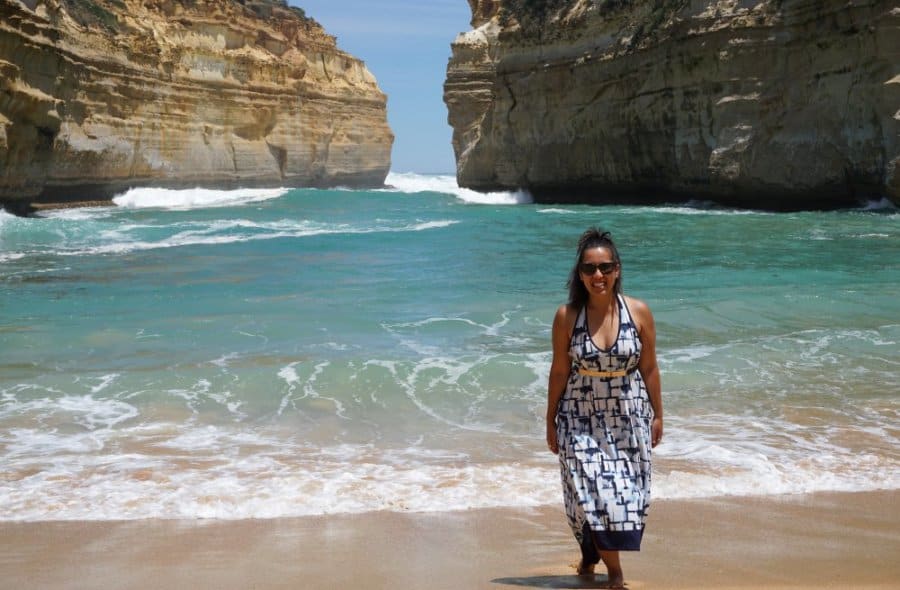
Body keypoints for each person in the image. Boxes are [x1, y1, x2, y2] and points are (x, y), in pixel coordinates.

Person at [546, 228, 663, 588]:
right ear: (579, 274)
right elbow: (560, 370)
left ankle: (589, 555)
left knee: (628, 494)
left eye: (605, 267)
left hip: (627, 415)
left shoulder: (639, 311)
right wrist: (550, 420)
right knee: (593, 490)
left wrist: (658, 414)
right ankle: (615, 573)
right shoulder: (567, 316)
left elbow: (649, 366)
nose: (598, 275)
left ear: (617, 269)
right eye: (589, 269)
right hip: (580, 414)